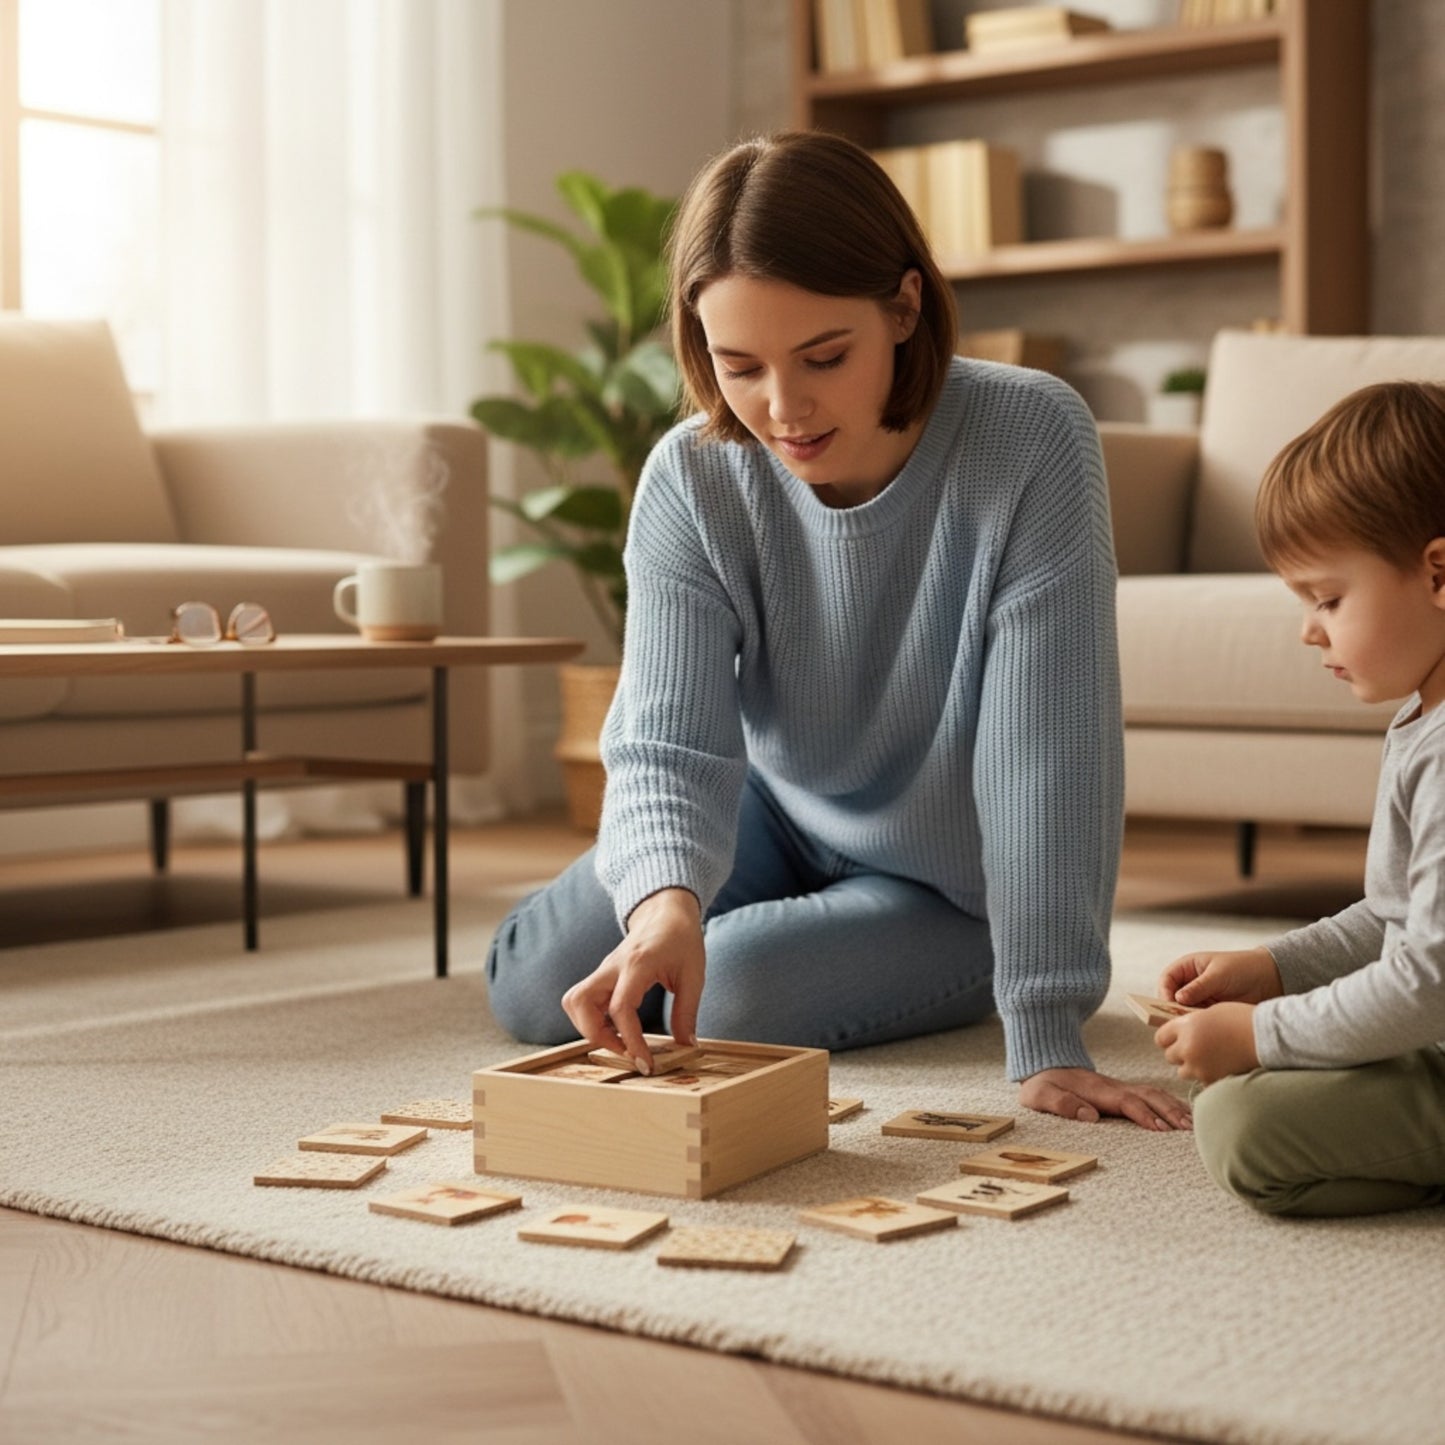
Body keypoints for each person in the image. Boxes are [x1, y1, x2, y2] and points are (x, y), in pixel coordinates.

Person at [487, 130, 1189, 1131]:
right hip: (775, 815)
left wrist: (1042, 1022)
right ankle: (687, 904)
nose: (784, 408)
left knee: (727, 995)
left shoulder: (1031, 437)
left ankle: (784, 937)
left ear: (902, 307)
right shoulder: (690, 475)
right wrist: (663, 900)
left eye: (823, 356)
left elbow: (1048, 757)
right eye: (738, 365)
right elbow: (665, 734)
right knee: (539, 985)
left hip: (948, 884)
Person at [1153, 380, 1445, 1215]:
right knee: (1244, 1106)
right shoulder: (1419, 714)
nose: (1308, 630)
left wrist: (1261, 1033)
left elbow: (1424, 983)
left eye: (1327, 598)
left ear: (1436, 573)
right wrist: (1273, 968)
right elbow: (1393, 916)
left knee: (1243, 1127)